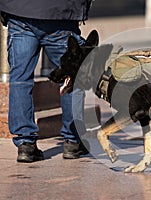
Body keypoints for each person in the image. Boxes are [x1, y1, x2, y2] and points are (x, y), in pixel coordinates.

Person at [0, 0, 92, 162]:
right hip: (59, 14)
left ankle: (25, 144)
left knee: (20, 79)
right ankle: (72, 141)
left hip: (20, 12)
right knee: (73, 76)